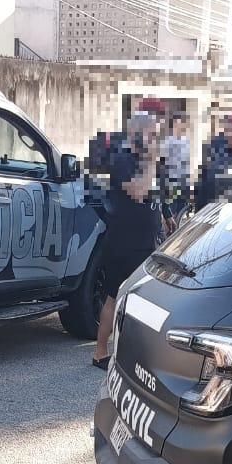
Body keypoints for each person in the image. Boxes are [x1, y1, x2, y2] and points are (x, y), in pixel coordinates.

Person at [92, 112, 160, 369]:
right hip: (124, 243)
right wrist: (152, 162)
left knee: (143, 301)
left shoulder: (144, 161)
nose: (155, 139)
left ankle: (134, 354)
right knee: (113, 297)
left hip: (145, 241)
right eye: (151, 134)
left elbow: (154, 195)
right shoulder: (123, 160)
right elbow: (138, 191)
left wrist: (164, 218)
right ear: (137, 134)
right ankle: (100, 352)